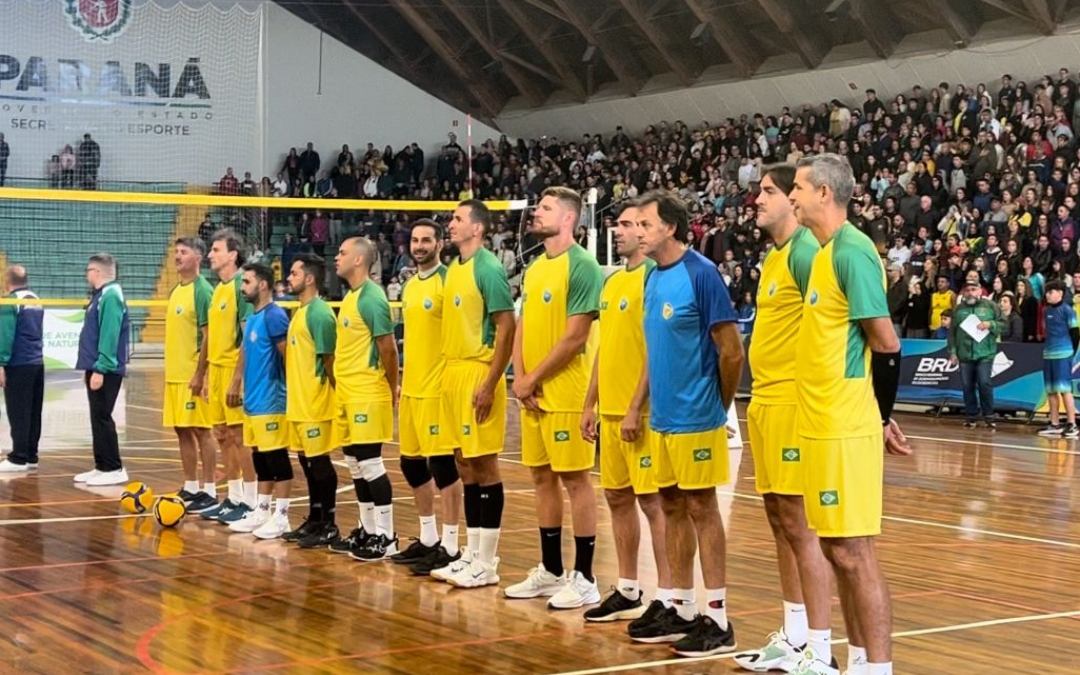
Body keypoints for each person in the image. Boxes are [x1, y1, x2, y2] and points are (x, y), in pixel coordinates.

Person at [789, 153, 912, 675]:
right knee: (837, 550)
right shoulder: (821, 253)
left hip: (844, 424)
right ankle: (859, 660)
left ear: (823, 192)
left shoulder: (854, 251)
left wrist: (880, 416)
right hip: (819, 424)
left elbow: (886, 343)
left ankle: (878, 668)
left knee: (855, 551)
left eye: (797, 186)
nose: (791, 195)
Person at [631, 189, 742, 657]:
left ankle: (716, 617)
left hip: (698, 416)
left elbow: (732, 350)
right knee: (671, 506)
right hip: (664, 418)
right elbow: (654, 353)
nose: (637, 231)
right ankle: (676, 604)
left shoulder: (702, 274)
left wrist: (718, 406)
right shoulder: (652, 278)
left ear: (670, 228)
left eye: (644, 224)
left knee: (702, 509)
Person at [734, 166, 836, 673]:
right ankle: (794, 635)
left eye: (771, 191)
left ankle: (820, 646)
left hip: (796, 404)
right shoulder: (773, 258)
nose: (759, 199)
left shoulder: (805, 254)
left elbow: (828, 330)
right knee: (779, 520)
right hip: (765, 404)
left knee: (801, 524)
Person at [508, 187, 604, 609]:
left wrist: (535, 379)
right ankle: (549, 569)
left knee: (576, 481)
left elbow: (576, 337)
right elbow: (523, 325)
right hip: (534, 392)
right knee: (541, 478)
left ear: (568, 218)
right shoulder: (534, 268)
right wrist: (520, 376)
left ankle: (584, 577)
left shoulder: (583, 265)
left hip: (567, 391)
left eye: (545, 208)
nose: (536, 212)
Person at [579, 200, 672, 626]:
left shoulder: (655, 278)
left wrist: (636, 406)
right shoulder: (613, 282)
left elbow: (657, 349)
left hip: (644, 413)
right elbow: (604, 349)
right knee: (617, 498)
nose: (618, 230)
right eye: (617, 224)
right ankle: (629, 588)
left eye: (629, 224)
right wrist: (590, 403)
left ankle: (669, 596)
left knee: (654, 503)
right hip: (611, 410)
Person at [425, 200, 515, 586]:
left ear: (477, 228)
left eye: (458, 219)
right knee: (463, 462)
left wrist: (492, 383)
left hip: (478, 371)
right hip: (452, 370)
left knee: (484, 464)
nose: (451, 224)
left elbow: (507, 327)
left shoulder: (489, 268)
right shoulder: (454, 270)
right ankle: (472, 554)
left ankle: (488, 562)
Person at [388, 220, 463, 569]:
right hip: (412, 387)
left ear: (439, 243)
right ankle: (428, 537)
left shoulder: (448, 280)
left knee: (444, 466)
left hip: (437, 389)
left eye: (426, 240)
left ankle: (450, 545)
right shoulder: (410, 285)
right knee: (411, 464)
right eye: (415, 240)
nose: (419, 246)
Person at [333, 236, 400, 560]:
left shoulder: (372, 298)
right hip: (347, 392)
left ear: (359, 259)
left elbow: (388, 348)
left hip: (366, 391)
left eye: (343, 253)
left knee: (370, 463)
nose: (337, 257)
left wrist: (391, 387)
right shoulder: (351, 297)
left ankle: (387, 536)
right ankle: (368, 529)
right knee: (355, 465)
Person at [272, 256, 340, 545]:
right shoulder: (300, 312)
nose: (289, 277)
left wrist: (339, 399)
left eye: (295, 272)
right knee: (307, 463)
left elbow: (330, 361)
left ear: (310, 278)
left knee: (319, 463)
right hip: (298, 402)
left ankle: (329, 523)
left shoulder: (320, 313)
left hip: (316, 402)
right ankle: (314, 519)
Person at [228, 263, 292, 539]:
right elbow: (245, 350)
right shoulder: (253, 317)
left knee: (277, 458)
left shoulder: (275, 316)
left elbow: (288, 356)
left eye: (247, 282)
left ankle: (283, 515)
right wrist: (236, 380)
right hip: (253, 401)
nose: (242, 287)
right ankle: (263, 510)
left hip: (271, 400)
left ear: (263, 284)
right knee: (261, 458)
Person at [201, 229, 257, 524]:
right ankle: (233, 497)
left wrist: (237, 378)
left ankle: (251, 500)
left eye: (216, 249)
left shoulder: (240, 286)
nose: (210, 254)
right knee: (222, 435)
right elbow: (213, 340)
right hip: (218, 370)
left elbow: (248, 337)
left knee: (239, 436)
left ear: (233, 255)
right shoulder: (218, 289)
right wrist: (209, 375)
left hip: (236, 370)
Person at [163, 238, 218, 512]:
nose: (177, 256)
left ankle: (209, 488)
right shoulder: (176, 290)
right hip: (174, 374)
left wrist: (201, 373)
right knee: (181, 429)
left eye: (183, 252)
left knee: (201, 430)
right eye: (176, 252)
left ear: (198, 257)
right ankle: (191, 486)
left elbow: (209, 337)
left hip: (191, 374)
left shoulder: (203, 291)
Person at [74, 253, 130, 486]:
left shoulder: (110, 295)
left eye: (89, 270)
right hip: (95, 366)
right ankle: (102, 466)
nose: (87, 274)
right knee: (97, 416)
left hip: (105, 368)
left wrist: (101, 368)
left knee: (103, 416)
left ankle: (114, 467)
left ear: (97, 272)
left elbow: (109, 334)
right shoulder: (101, 296)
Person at [0, 265, 44, 472]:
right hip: (37, 363)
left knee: (18, 411)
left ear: (7, 283)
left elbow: (5, 334)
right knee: (33, 411)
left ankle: (18, 457)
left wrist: (1, 363)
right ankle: (31, 455)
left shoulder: (10, 302)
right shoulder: (35, 298)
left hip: (19, 364)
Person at [948, 280, 1005, 430]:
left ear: (980, 291)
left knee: (984, 382)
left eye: (974, 289)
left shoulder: (991, 306)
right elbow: (952, 333)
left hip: (985, 352)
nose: (970, 293)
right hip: (965, 354)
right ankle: (971, 416)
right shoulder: (959, 309)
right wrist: (953, 352)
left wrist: (990, 324)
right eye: (967, 290)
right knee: (967, 386)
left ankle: (989, 416)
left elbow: (1004, 325)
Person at [1038, 279, 1079, 438]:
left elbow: (1075, 334)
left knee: (1064, 390)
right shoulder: (1046, 311)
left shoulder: (1068, 310)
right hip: (1048, 354)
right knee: (1051, 390)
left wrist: (1070, 353)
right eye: (1047, 292)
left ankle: (1072, 424)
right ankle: (1054, 423)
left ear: (1060, 293)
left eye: (1051, 292)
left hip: (1063, 354)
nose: (1048, 295)